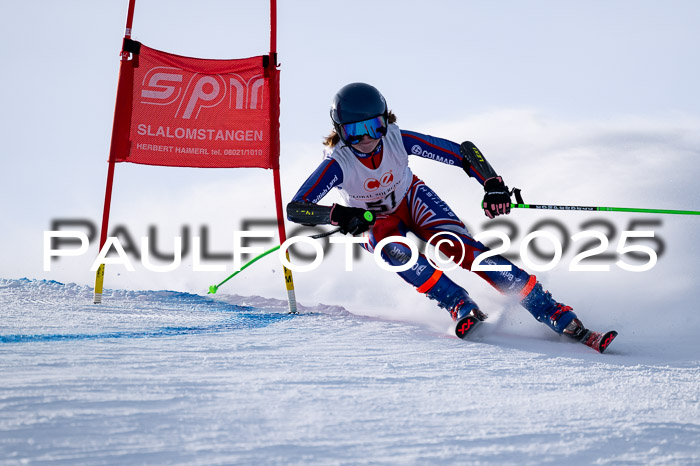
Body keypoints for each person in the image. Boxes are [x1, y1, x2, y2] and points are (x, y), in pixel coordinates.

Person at [286, 82, 616, 353]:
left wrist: (492, 184)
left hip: (412, 198)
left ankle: (551, 310)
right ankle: (458, 304)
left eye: (374, 126)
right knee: (394, 252)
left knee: (462, 249)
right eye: (355, 132)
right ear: (340, 133)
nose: (367, 138)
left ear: (386, 120)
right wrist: (339, 214)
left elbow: (463, 151)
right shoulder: (338, 163)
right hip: (374, 218)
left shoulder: (397, 139)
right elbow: (297, 207)